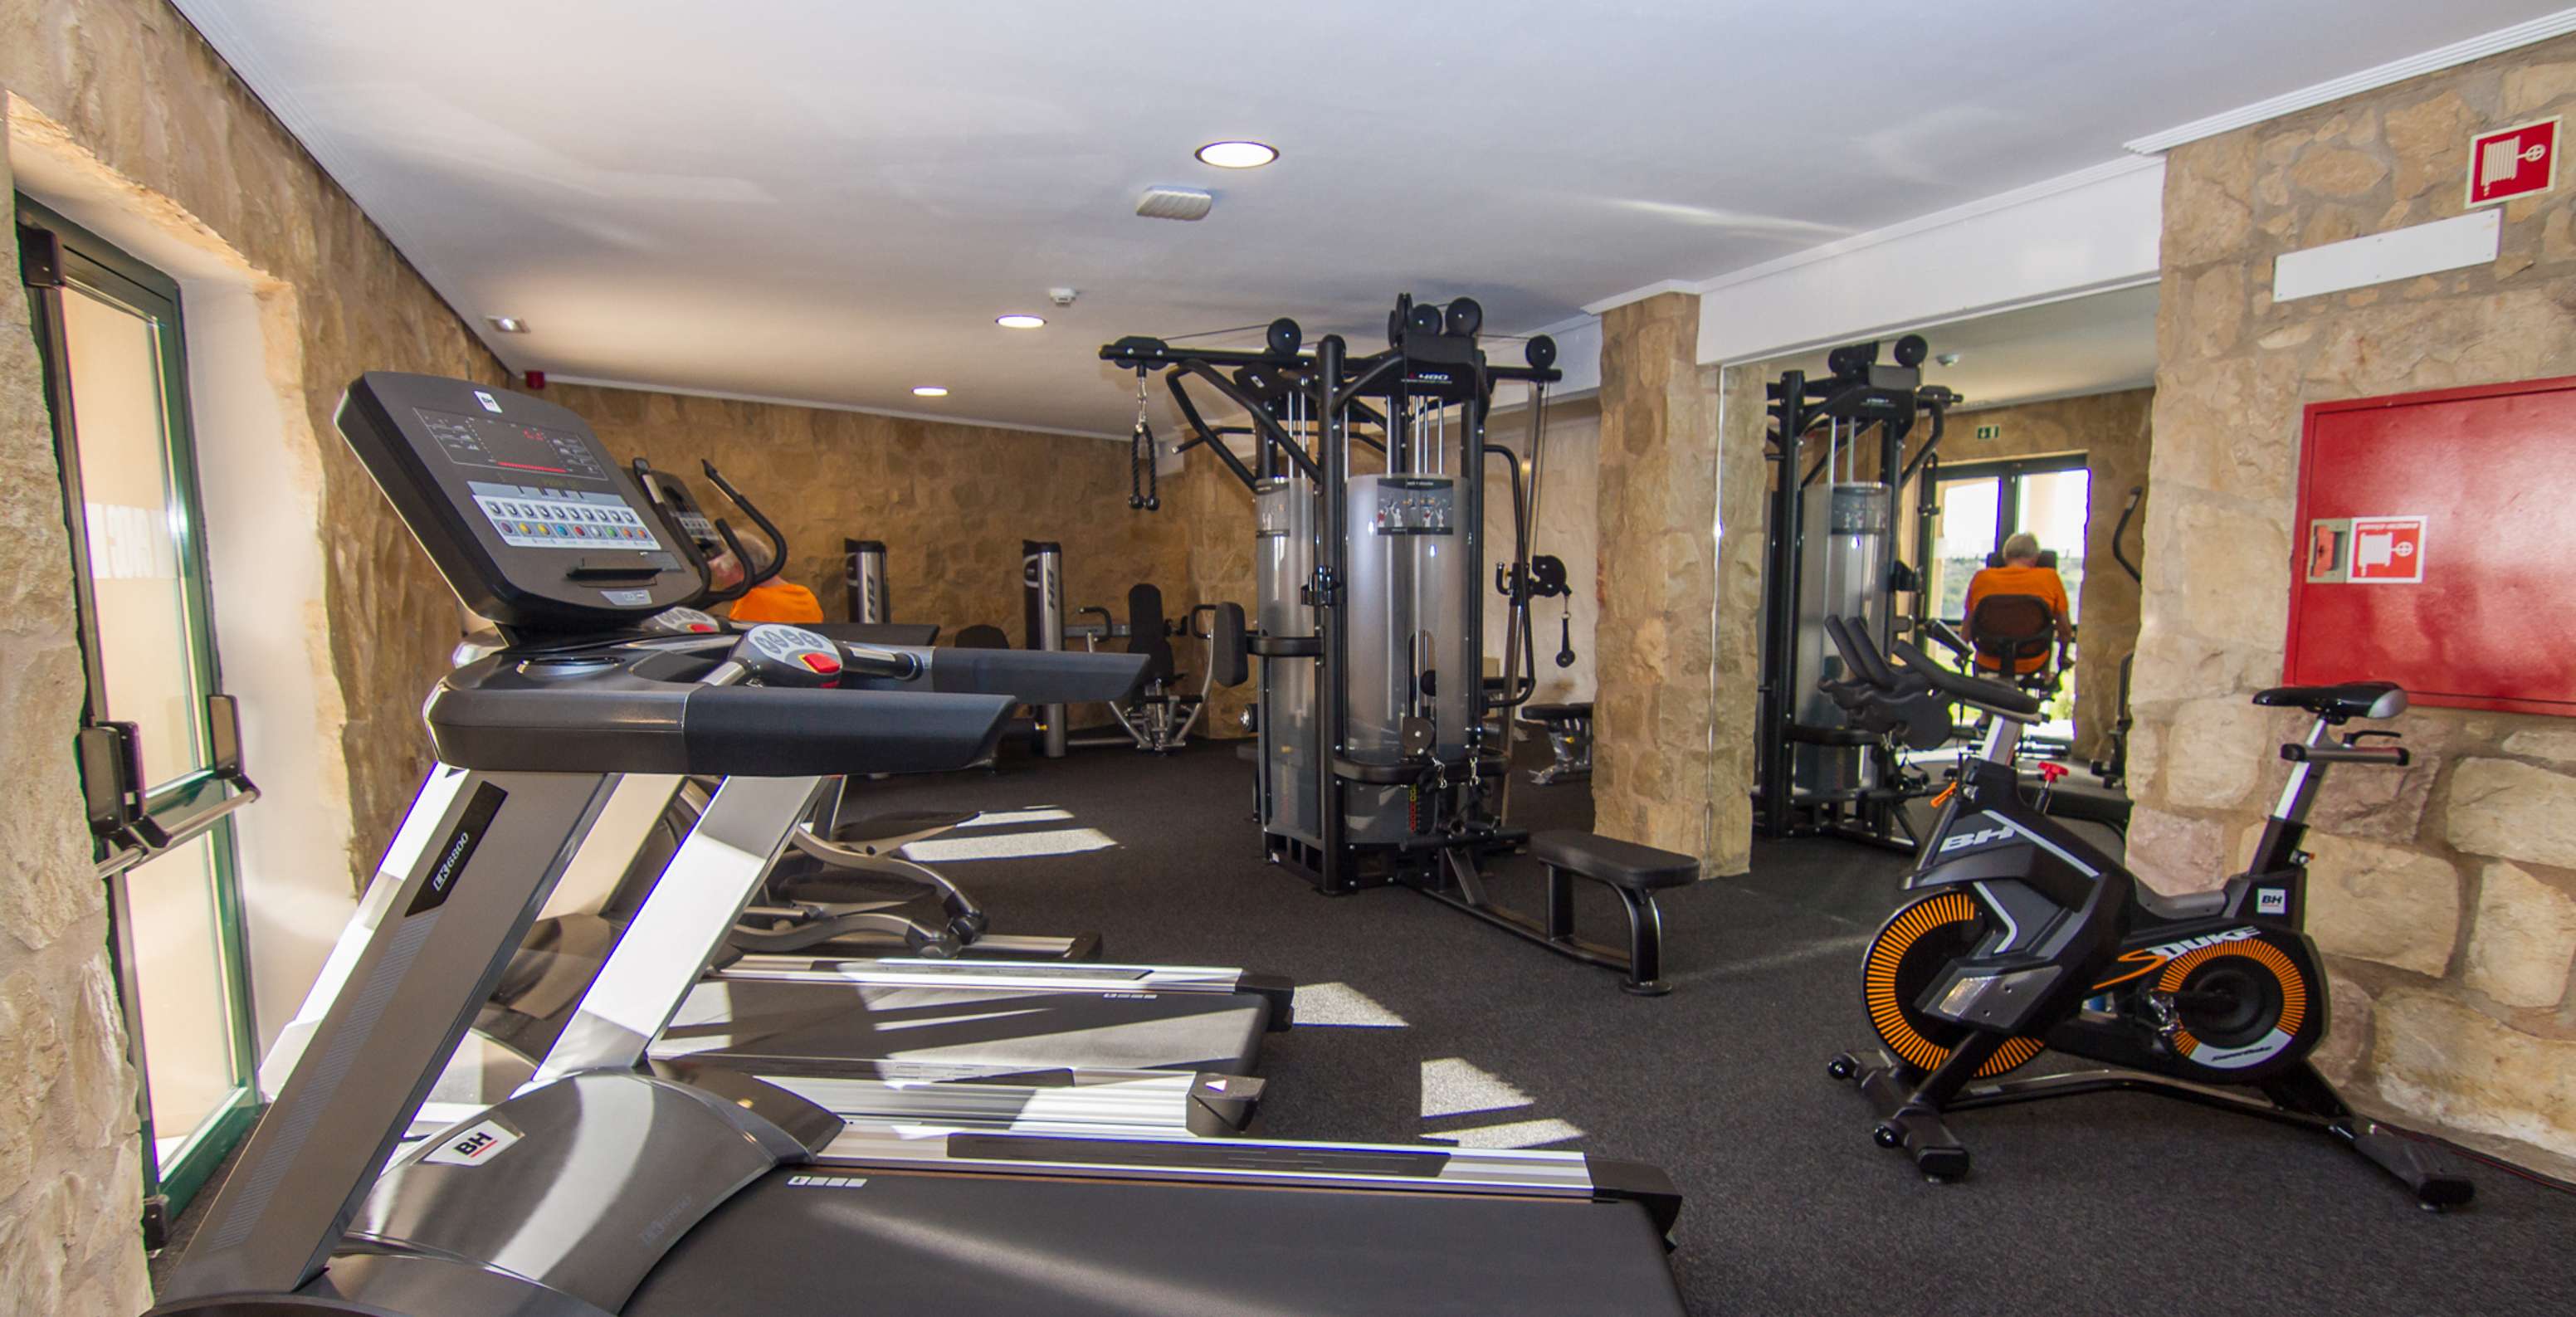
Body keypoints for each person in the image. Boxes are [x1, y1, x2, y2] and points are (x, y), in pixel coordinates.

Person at [1962, 532, 2071, 677]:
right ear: (2036, 558)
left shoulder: (1982, 578)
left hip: (1989, 660)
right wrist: (2062, 657)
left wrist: (1961, 654)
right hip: (2033, 660)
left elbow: (1968, 624)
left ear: (2005, 556)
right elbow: (2065, 629)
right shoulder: (2050, 578)